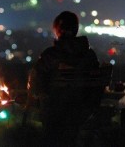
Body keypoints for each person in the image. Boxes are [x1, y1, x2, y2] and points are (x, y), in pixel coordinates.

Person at [26, 11, 100, 146]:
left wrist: (39, 99)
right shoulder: (90, 56)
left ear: (58, 30)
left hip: (53, 114)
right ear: (75, 29)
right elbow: (96, 85)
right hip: (81, 113)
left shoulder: (51, 55)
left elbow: (35, 81)